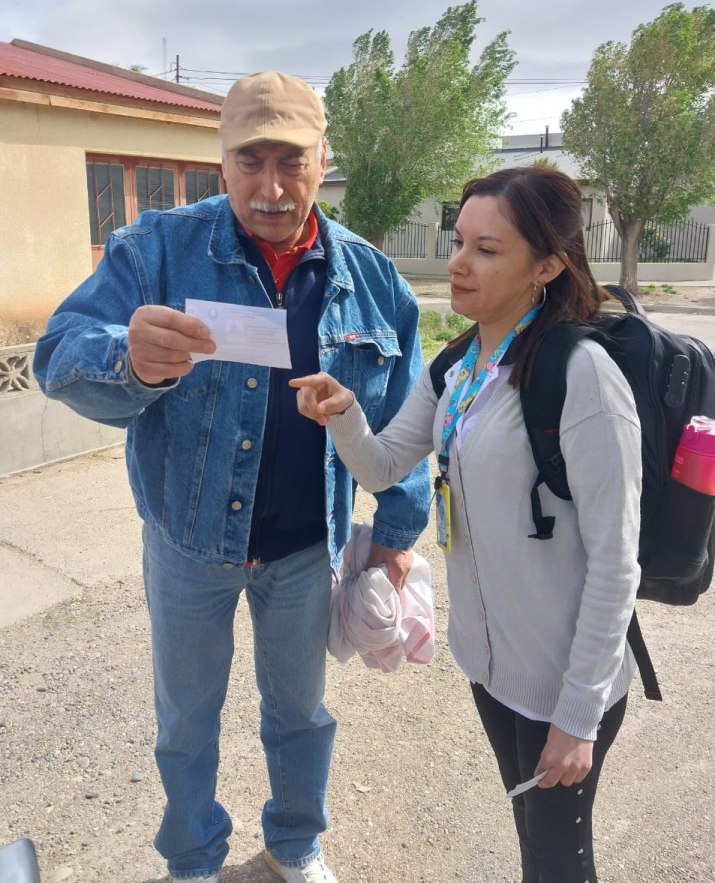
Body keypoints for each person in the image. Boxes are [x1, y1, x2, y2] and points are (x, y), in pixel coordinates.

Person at [33, 71, 431, 883]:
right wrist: (127, 361)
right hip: (187, 545)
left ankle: (294, 846)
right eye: (251, 162)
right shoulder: (156, 250)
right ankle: (192, 860)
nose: (272, 186)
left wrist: (394, 534)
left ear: (324, 160)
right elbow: (55, 353)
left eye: (292, 161)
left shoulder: (372, 280)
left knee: (299, 714)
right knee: (186, 720)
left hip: (300, 549)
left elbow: (402, 422)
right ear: (223, 166)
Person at [291, 166, 642, 883]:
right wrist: (345, 412)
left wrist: (576, 716)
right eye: (459, 242)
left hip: (565, 679)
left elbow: (616, 561)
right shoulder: (459, 363)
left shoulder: (579, 374)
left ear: (545, 266)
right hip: (490, 668)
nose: (456, 263)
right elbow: (385, 466)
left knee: (556, 862)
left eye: (487, 249)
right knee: (532, 844)